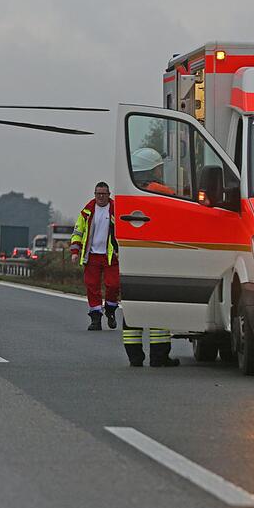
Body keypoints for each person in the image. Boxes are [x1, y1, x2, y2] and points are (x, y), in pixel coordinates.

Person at [124, 148, 181, 367]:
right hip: (160, 256)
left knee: (133, 308)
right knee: (159, 306)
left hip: (133, 256)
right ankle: (159, 356)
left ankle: (135, 357)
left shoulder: (127, 194)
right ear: (153, 169)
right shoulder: (162, 191)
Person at [70, 182, 120, 331]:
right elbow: (78, 232)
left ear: (108, 195)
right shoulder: (87, 211)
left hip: (111, 256)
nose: (100, 197)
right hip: (91, 255)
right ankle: (96, 318)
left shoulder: (116, 210)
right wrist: (75, 252)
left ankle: (110, 310)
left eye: (103, 194)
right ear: (95, 194)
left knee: (113, 285)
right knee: (92, 287)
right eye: (98, 193)